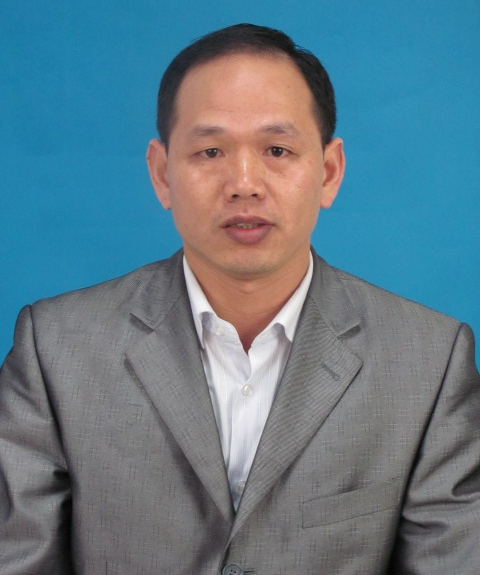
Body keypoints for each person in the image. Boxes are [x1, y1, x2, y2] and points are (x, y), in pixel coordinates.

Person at [0, 23, 479, 575]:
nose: (244, 183)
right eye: (210, 151)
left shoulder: (430, 362)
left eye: (277, 149)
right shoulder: (55, 350)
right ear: (161, 174)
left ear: (328, 172)